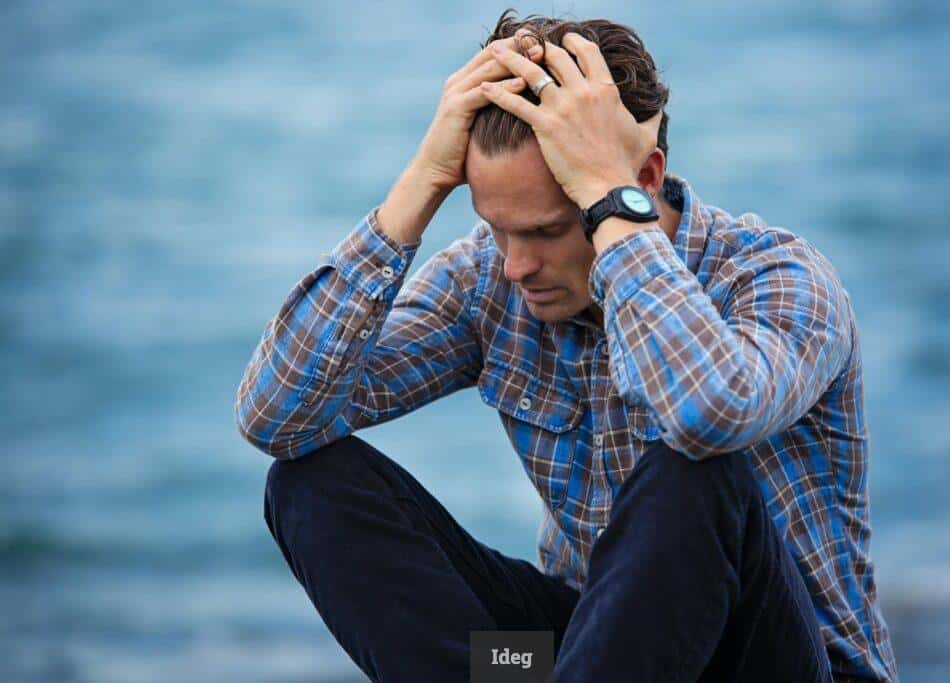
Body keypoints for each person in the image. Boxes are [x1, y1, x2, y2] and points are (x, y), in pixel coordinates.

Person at [234, 10, 898, 682]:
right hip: (563, 660)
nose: (517, 265)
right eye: (498, 229)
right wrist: (422, 182)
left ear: (640, 180)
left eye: (548, 230)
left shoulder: (777, 279)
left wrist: (613, 208)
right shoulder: (490, 281)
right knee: (309, 484)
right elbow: (276, 417)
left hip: (765, 665)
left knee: (697, 468)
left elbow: (706, 413)